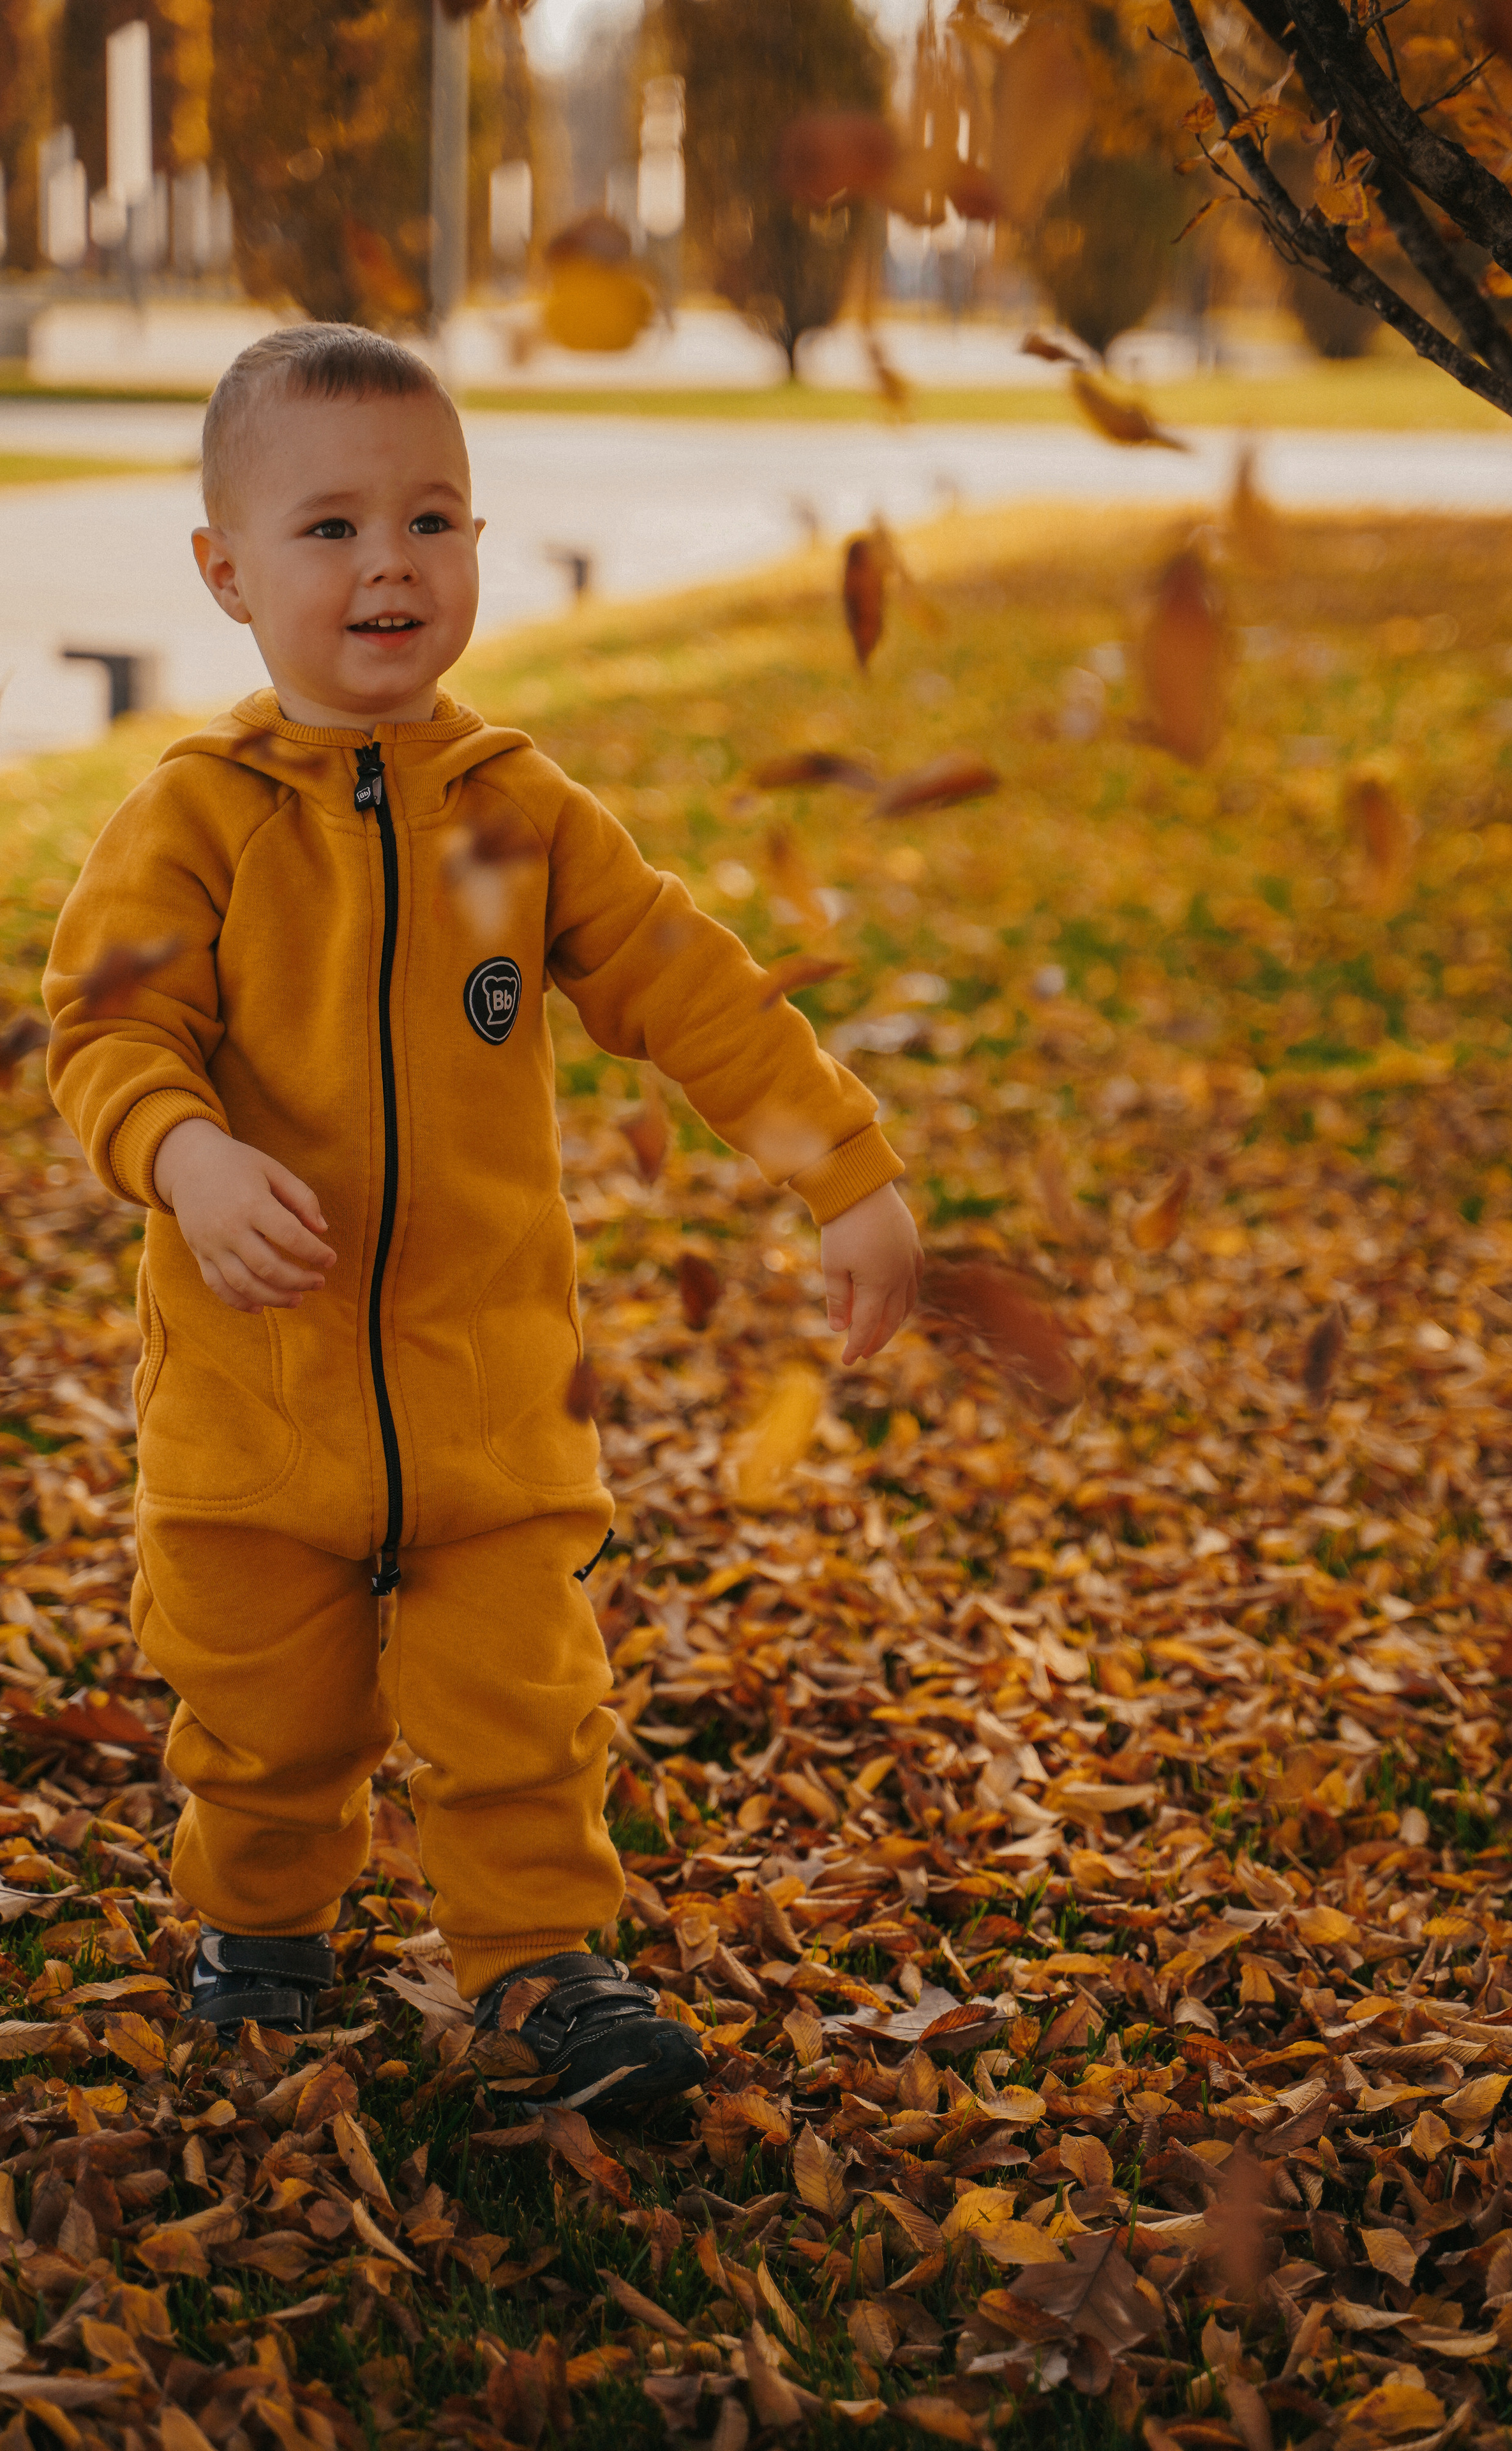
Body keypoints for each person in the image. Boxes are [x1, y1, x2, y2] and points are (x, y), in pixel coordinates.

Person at [45, 324, 923, 2114]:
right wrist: (188, 1158)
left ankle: (543, 1968)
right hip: (254, 1411)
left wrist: (842, 1166)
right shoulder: (191, 822)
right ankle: (263, 1937)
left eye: (433, 518)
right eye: (332, 527)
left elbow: (693, 989)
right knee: (264, 1718)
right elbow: (105, 1029)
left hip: (492, 1401)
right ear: (224, 571)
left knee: (521, 1706)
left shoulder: (521, 816)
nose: (391, 562)